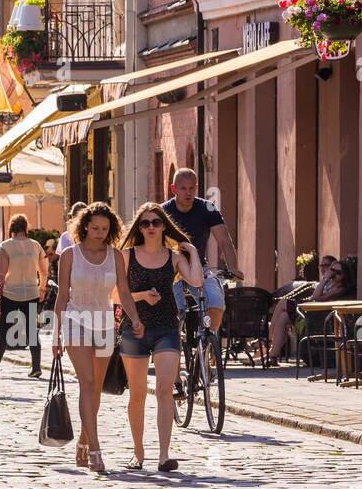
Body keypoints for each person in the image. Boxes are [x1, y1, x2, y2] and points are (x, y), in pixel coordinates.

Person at [52, 203, 144, 473]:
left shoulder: (115, 256)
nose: (99, 233)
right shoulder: (70, 255)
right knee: (87, 382)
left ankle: (83, 439)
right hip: (75, 321)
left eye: (105, 229)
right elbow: (62, 297)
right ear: (84, 227)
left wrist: (135, 318)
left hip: (104, 323)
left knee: (96, 388)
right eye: (94, 228)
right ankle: (95, 449)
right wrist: (56, 335)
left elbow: (124, 292)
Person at [118, 204, 202, 472]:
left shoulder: (174, 257)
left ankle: (164, 455)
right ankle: (138, 452)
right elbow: (113, 295)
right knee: (138, 394)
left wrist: (194, 253)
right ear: (139, 228)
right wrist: (143, 296)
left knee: (165, 389)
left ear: (164, 225)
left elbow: (197, 281)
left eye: (156, 222)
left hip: (167, 326)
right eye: (145, 223)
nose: (151, 227)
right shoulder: (126, 255)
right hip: (134, 327)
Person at [162, 168, 243, 336]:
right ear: (173, 189)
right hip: (171, 269)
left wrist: (233, 268)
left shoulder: (208, 208)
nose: (188, 192)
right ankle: (172, 345)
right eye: (183, 188)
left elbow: (224, 240)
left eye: (192, 188)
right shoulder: (163, 212)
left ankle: (208, 341)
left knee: (216, 301)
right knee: (174, 311)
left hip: (198, 266)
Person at [0, 214, 48, 378]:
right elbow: (44, 271)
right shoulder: (35, 246)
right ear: (25, 229)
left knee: (4, 330)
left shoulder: (6, 246)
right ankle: (36, 367)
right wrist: (41, 289)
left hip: (11, 293)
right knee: (31, 330)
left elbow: (2, 273)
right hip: (31, 292)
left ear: (11, 229)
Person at [268, 254, 340, 361]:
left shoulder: (335, 283)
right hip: (312, 313)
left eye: (327, 266)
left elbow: (316, 297)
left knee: (283, 303)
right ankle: (272, 355)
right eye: (322, 266)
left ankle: (268, 339)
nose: (324, 268)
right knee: (283, 317)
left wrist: (325, 278)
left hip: (317, 316)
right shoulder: (325, 282)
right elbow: (315, 297)